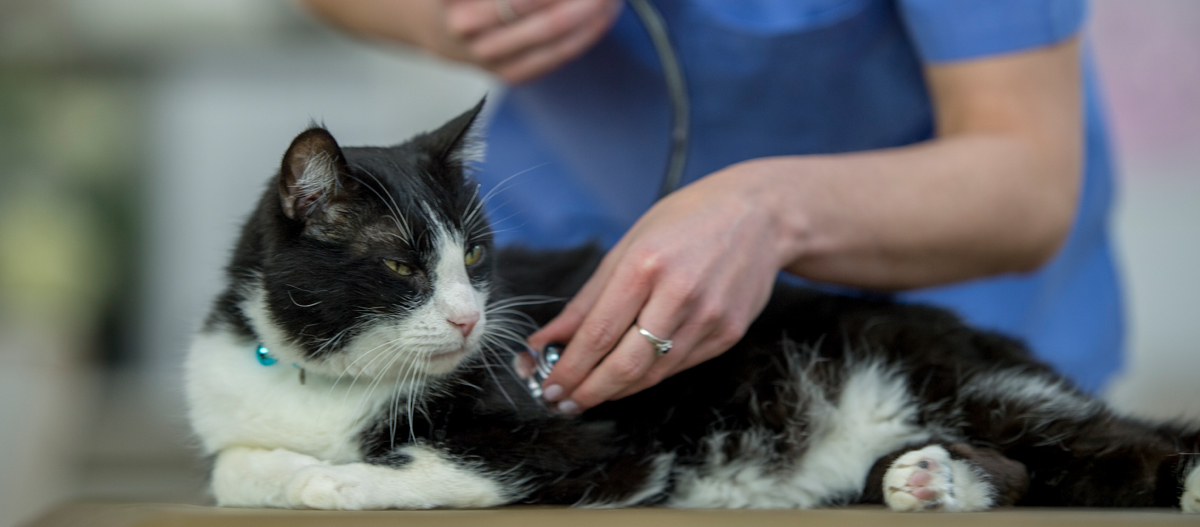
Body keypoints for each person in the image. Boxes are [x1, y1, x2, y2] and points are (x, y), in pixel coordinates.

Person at [301, 0, 1121, 415]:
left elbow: (1028, 183)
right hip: (540, 301)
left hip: (916, 345)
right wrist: (445, 13)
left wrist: (771, 210)